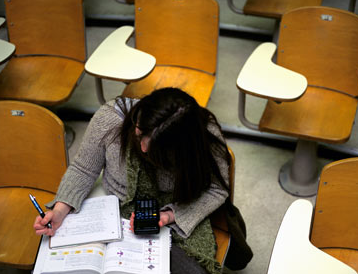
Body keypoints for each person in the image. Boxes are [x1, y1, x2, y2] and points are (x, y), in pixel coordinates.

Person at [33, 88, 231, 274]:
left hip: (179, 205)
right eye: (139, 135)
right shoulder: (110, 118)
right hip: (115, 206)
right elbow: (83, 169)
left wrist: (170, 215)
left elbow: (216, 189)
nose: (143, 149)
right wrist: (59, 210)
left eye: (157, 149)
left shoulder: (205, 135)